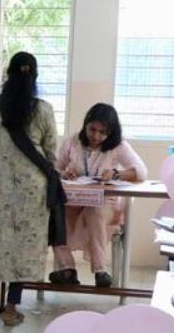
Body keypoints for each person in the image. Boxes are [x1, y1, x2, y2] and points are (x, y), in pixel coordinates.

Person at [0, 52, 64, 325]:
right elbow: (50, 152)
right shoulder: (44, 109)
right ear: (34, 77)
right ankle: (11, 309)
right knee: (24, 244)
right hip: (32, 189)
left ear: (8, 74)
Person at [50, 103, 146, 288]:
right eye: (92, 129)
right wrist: (63, 173)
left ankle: (100, 270)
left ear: (111, 132)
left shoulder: (118, 146)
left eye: (102, 132)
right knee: (54, 214)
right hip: (75, 201)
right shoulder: (72, 142)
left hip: (105, 204)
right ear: (85, 124)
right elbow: (55, 166)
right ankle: (67, 269)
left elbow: (141, 171)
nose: (95, 136)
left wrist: (116, 174)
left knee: (94, 211)